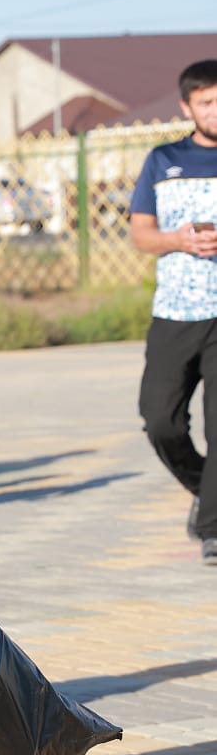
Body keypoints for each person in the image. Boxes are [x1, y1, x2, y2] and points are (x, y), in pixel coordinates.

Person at [130, 59, 217, 565]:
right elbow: (141, 234)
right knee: (159, 419)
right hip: (176, 311)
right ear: (187, 106)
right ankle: (208, 493)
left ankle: (213, 528)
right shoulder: (163, 160)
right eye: (206, 102)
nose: (215, 110)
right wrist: (178, 239)